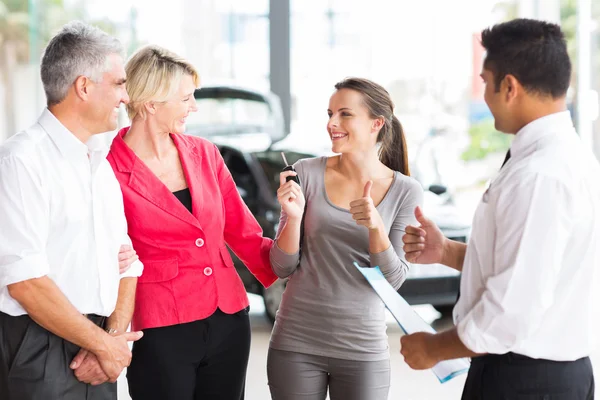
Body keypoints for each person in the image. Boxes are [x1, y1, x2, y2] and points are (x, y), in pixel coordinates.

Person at [400, 18, 599, 400]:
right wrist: (447, 252)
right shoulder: (569, 159)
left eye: (485, 80)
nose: (484, 94)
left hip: (523, 380)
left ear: (509, 86)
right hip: (544, 376)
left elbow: (512, 313)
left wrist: (433, 348)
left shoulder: (539, 175)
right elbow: (536, 270)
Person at [106, 45, 278, 400]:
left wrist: (295, 271)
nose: (194, 107)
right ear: (152, 103)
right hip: (160, 322)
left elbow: (243, 233)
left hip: (228, 317)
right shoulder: (106, 166)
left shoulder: (205, 152)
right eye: (186, 98)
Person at [0, 21, 145, 400]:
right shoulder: (21, 161)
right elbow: (26, 281)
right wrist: (105, 345)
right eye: (118, 84)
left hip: (96, 347)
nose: (125, 97)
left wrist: (110, 340)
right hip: (38, 346)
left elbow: (128, 263)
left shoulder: (99, 162)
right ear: (83, 86)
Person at [267, 77, 423, 400]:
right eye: (329, 114)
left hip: (363, 349)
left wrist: (376, 227)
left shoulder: (406, 191)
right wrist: (293, 218)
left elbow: (393, 280)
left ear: (376, 124)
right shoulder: (305, 173)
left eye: (344, 114)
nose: (332, 124)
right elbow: (281, 266)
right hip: (295, 343)